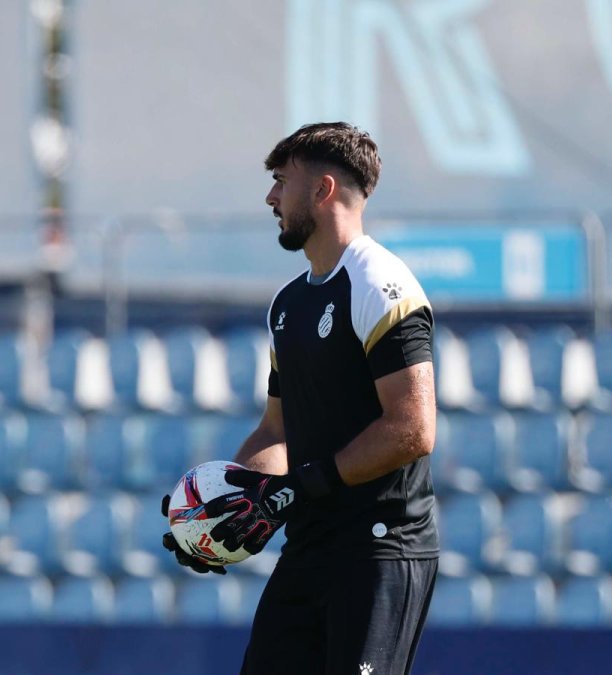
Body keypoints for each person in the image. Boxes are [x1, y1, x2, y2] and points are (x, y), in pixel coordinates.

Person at [162, 122, 438, 674]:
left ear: (322, 190)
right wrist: (223, 508)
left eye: (280, 181)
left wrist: (304, 485)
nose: (270, 197)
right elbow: (276, 431)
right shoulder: (287, 304)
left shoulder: (382, 284)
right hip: (311, 546)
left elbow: (412, 428)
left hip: (380, 548)